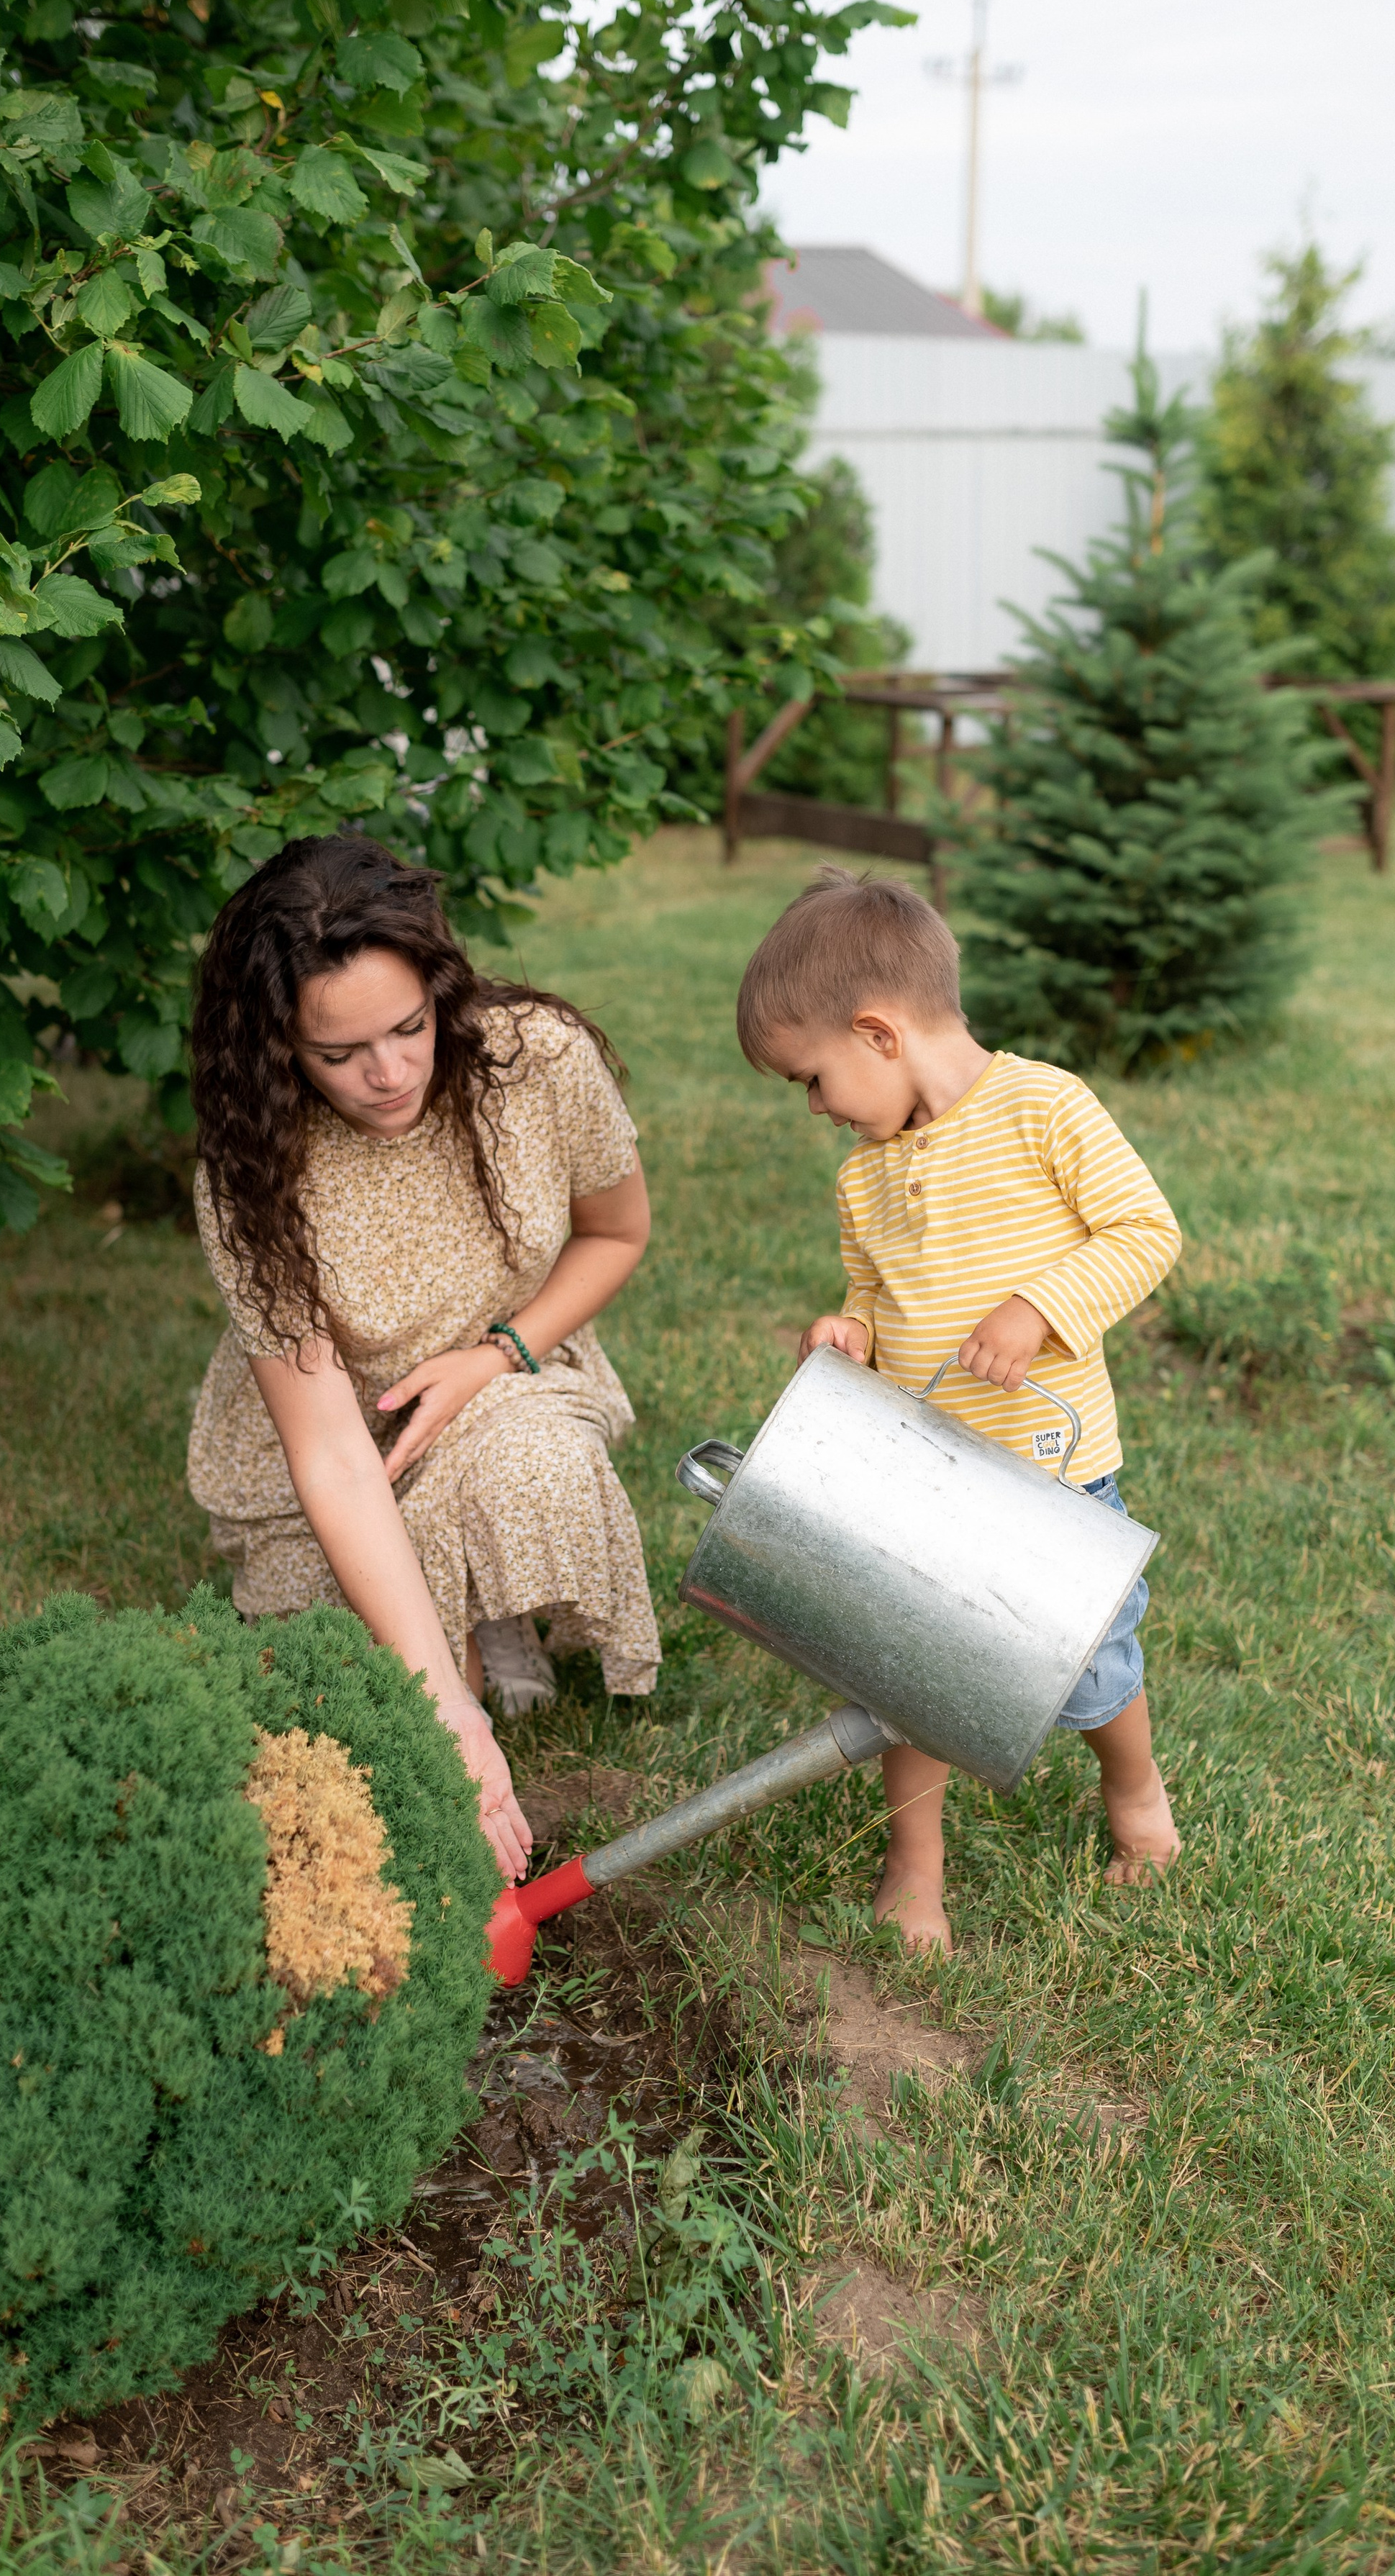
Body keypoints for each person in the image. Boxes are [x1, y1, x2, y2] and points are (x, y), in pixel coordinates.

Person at [186, 833, 660, 1882]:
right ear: (277, 1049)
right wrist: (439, 1701)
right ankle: (461, 1656)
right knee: (348, 1709)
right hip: (349, 1443)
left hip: (502, 1381)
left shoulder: (535, 1060)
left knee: (530, 1469)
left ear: (441, 988)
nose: (392, 1072)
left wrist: (499, 1356)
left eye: (409, 1028)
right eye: (340, 1054)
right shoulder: (249, 1174)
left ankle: (496, 1608)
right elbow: (334, 1459)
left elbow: (616, 1234)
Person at [736, 869, 1183, 1953]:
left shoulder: (1045, 1107)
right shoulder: (865, 1177)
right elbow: (877, 1300)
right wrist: (851, 1336)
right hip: (925, 1475)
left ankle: (1135, 1795)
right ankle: (916, 1867)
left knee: (1089, 1668)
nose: (815, 1107)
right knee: (910, 1668)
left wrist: (1038, 1307)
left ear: (879, 1032)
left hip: (1047, 1470)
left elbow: (1144, 1231)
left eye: (814, 1077)